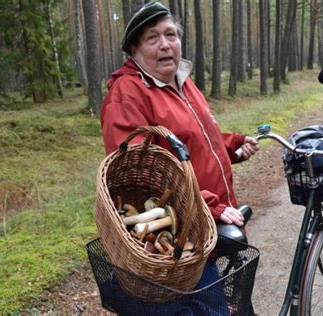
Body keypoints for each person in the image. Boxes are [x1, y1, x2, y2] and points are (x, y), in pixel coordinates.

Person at [100, 2, 259, 227]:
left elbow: (193, 140)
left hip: (214, 217)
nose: (165, 45)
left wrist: (234, 145)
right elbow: (137, 174)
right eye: (152, 38)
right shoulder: (127, 94)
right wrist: (208, 205)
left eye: (170, 35)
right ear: (134, 50)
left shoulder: (182, 81)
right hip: (180, 232)